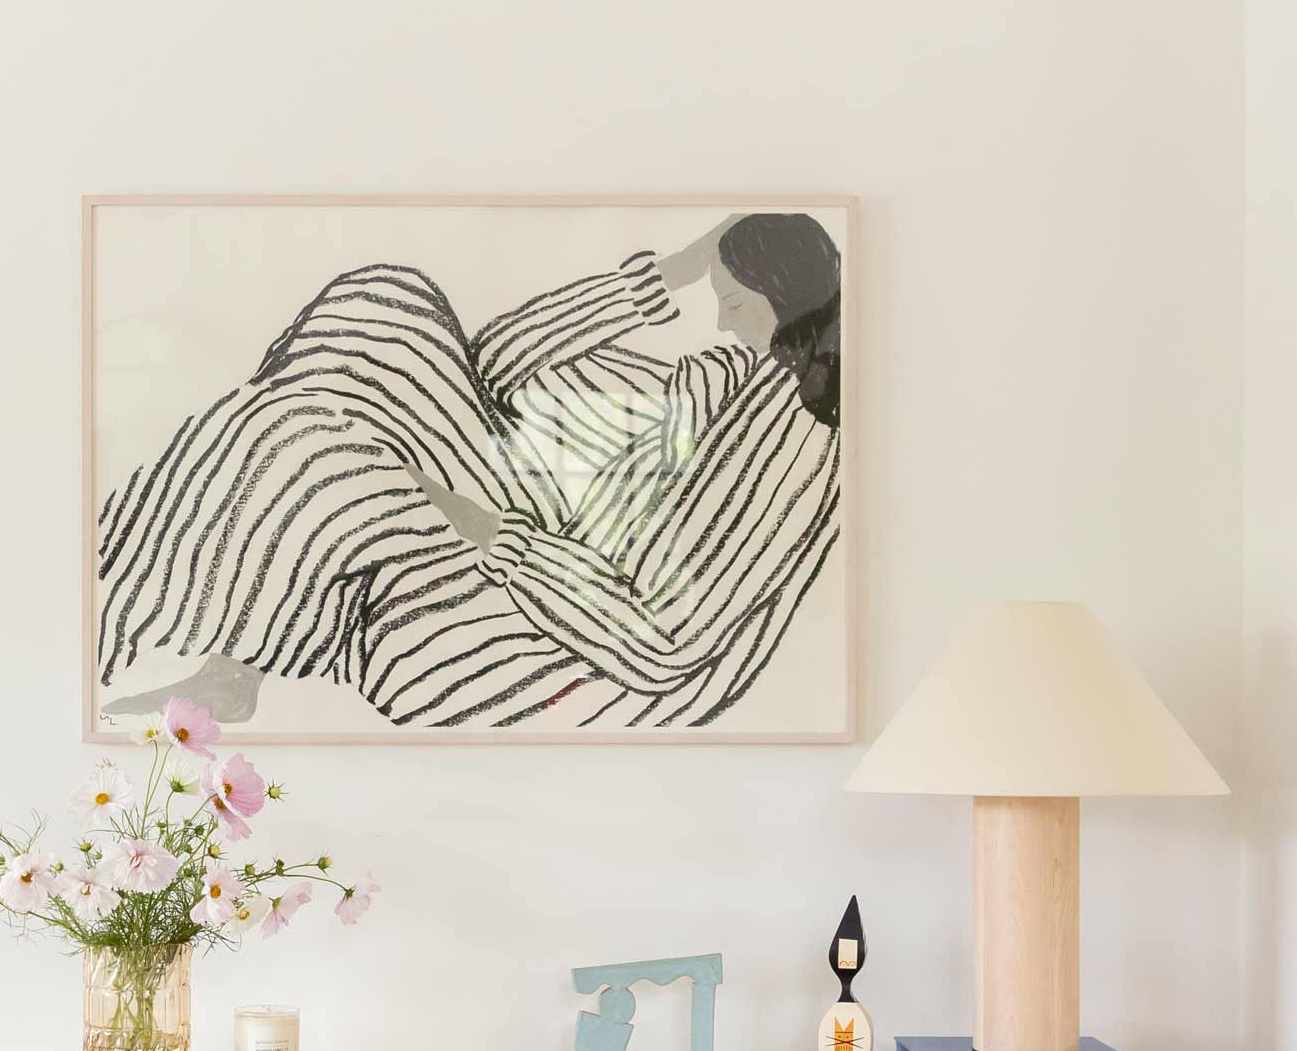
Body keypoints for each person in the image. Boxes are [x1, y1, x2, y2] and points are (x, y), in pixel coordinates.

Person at [97, 212, 841, 732]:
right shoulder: (736, 374)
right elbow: (494, 361)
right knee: (384, 304)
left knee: (321, 442)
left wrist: (485, 528)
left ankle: (148, 637)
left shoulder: (803, 436)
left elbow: (663, 641)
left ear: (788, 302)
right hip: (554, 543)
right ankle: (228, 659)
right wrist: (670, 275)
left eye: (735, 304)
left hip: (548, 636)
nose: (719, 323)